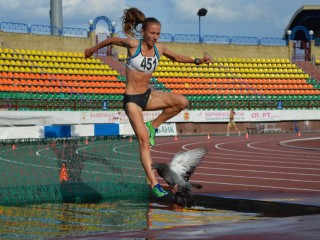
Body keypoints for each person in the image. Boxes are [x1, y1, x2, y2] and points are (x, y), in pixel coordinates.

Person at [84, 7, 212, 197]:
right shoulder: (133, 44)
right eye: (152, 33)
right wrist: (92, 49)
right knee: (144, 142)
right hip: (132, 101)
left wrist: (197, 61)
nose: (155, 37)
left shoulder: (159, 48)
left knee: (182, 102)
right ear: (143, 32)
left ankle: (154, 125)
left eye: (158, 33)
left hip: (148, 95)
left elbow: (177, 57)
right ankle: (154, 184)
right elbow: (111, 39)